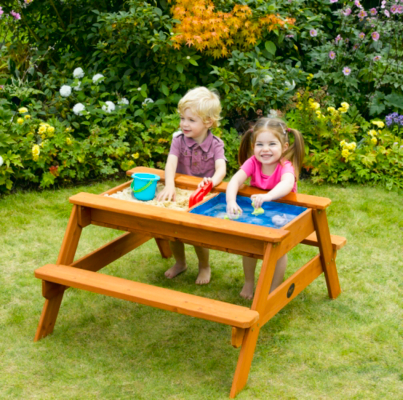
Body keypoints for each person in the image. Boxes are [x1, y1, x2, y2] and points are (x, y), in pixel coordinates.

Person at [226, 117, 304, 299]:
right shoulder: (253, 162)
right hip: (259, 213)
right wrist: (230, 201)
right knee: (249, 246)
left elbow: (287, 183)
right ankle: (249, 282)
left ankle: (273, 287)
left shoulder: (285, 166)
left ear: (284, 147)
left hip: (282, 214)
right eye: (260, 144)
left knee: (277, 250)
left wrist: (267, 196)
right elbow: (235, 181)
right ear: (253, 146)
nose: (265, 149)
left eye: (272, 144)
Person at [156, 87, 227, 284]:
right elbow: (170, 163)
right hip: (179, 191)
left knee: (197, 234)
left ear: (208, 122)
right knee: (173, 230)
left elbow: (221, 168)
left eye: (191, 120)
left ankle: (204, 266)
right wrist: (169, 184)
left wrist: (212, 182)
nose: (184, 124)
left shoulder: (216, 144)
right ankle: (180, 263)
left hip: (201, 194)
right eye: (182, 118)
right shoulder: (178, 140)